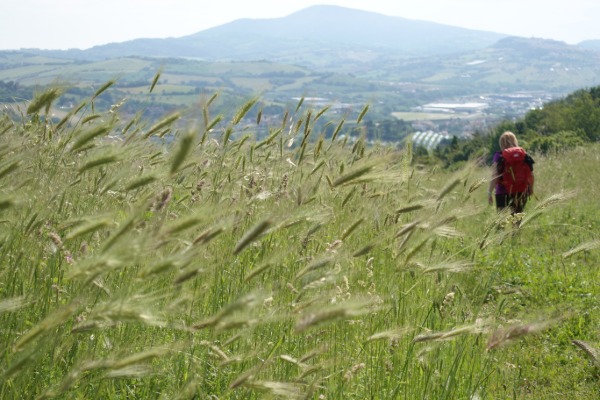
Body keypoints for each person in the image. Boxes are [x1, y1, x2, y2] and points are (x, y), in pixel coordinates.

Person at [487, 131, 534, 213]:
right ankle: (516, 226)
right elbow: (531, 174)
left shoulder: (499, 156)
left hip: (502, 192)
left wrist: (489, 192)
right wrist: (531, 188)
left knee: (501, 222)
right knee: (516, 221)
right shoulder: (523, 154)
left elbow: (495, 175)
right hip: (520, 191)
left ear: (501, 143)